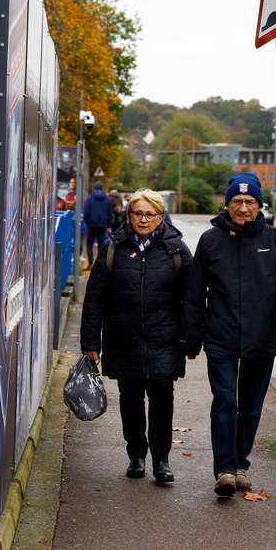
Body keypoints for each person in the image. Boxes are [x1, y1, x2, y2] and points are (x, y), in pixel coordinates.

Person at [183, 172, 276, 497]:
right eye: (238, 201)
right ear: (227, 204)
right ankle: (224, 469)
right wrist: (191, 338)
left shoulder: (274, 242)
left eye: (250, 202)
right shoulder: (210, 241)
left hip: (261, 338)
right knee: (225, 400)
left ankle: (241, 464)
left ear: (260, 205)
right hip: (220, 336)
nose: (244, 208)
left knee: (251, 406)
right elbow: (194, 293)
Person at [80, 189, 192, 484]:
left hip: (164, 339)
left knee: (162, 400)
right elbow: (95, 298)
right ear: (128, 215)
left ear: (160, 216)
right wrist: (90, 342)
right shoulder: (113, 248)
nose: (144, 219)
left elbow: (191, 299)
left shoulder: (176, 250)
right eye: (137, 213)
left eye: (150, 214)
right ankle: (136, 455)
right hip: (124, 338)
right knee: (130, 400)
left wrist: (191, 337)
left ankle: (161, 460)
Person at [83, 181, 115, 264]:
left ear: (94, 189)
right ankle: (99, 263)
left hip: (91, 225)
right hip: (102, 225)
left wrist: (87, 222)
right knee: (101, 245)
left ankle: (90, 263)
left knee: (89, 245)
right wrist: (109, 225)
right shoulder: (107, 200)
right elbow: (109, 214)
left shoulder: (89, 199)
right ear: (102, 189)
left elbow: (86, 213)